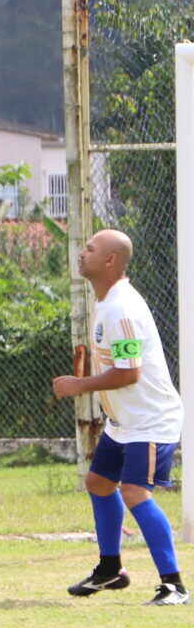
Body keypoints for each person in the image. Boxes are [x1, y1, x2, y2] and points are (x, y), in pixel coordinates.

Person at [52, 228, 187, 605]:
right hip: (125, 422)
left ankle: (174, 585)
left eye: (91, 249)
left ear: (110, 260)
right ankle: (110, 569)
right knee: (98, 482)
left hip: (151, 420)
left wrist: (79, 385)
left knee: (133, 492)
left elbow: (130, 373)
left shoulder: (121, 308)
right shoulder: (107, 301)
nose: (82, 253)